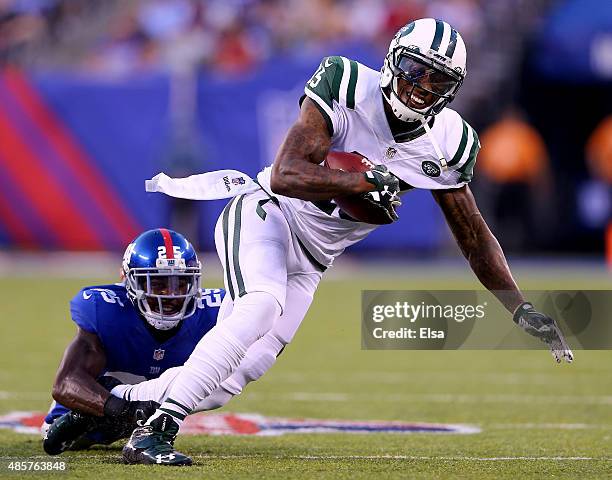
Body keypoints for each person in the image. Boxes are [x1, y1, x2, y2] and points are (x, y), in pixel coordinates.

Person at [121, 18, 573, 466]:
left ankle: (116, 404)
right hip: (268, 214)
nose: (422, 87)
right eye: (417, 70)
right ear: (394, 58)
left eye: (438, 80)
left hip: (314, 260)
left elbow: (474, 236)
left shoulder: (448, 142)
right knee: (259, 304)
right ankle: (155, 432)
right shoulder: (347, 82)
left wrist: (519, 307)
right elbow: (286, 173)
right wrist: (359, 182)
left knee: (237, 374)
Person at [41, 228, 224, 455]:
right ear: (129, 282)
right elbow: (66, 383)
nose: (170, 294)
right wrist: (125, 409)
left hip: (145, 411)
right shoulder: (105, 309)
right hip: (94, 411)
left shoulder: (214, 311)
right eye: (157, 283)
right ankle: (84, 417)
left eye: (180, 283)